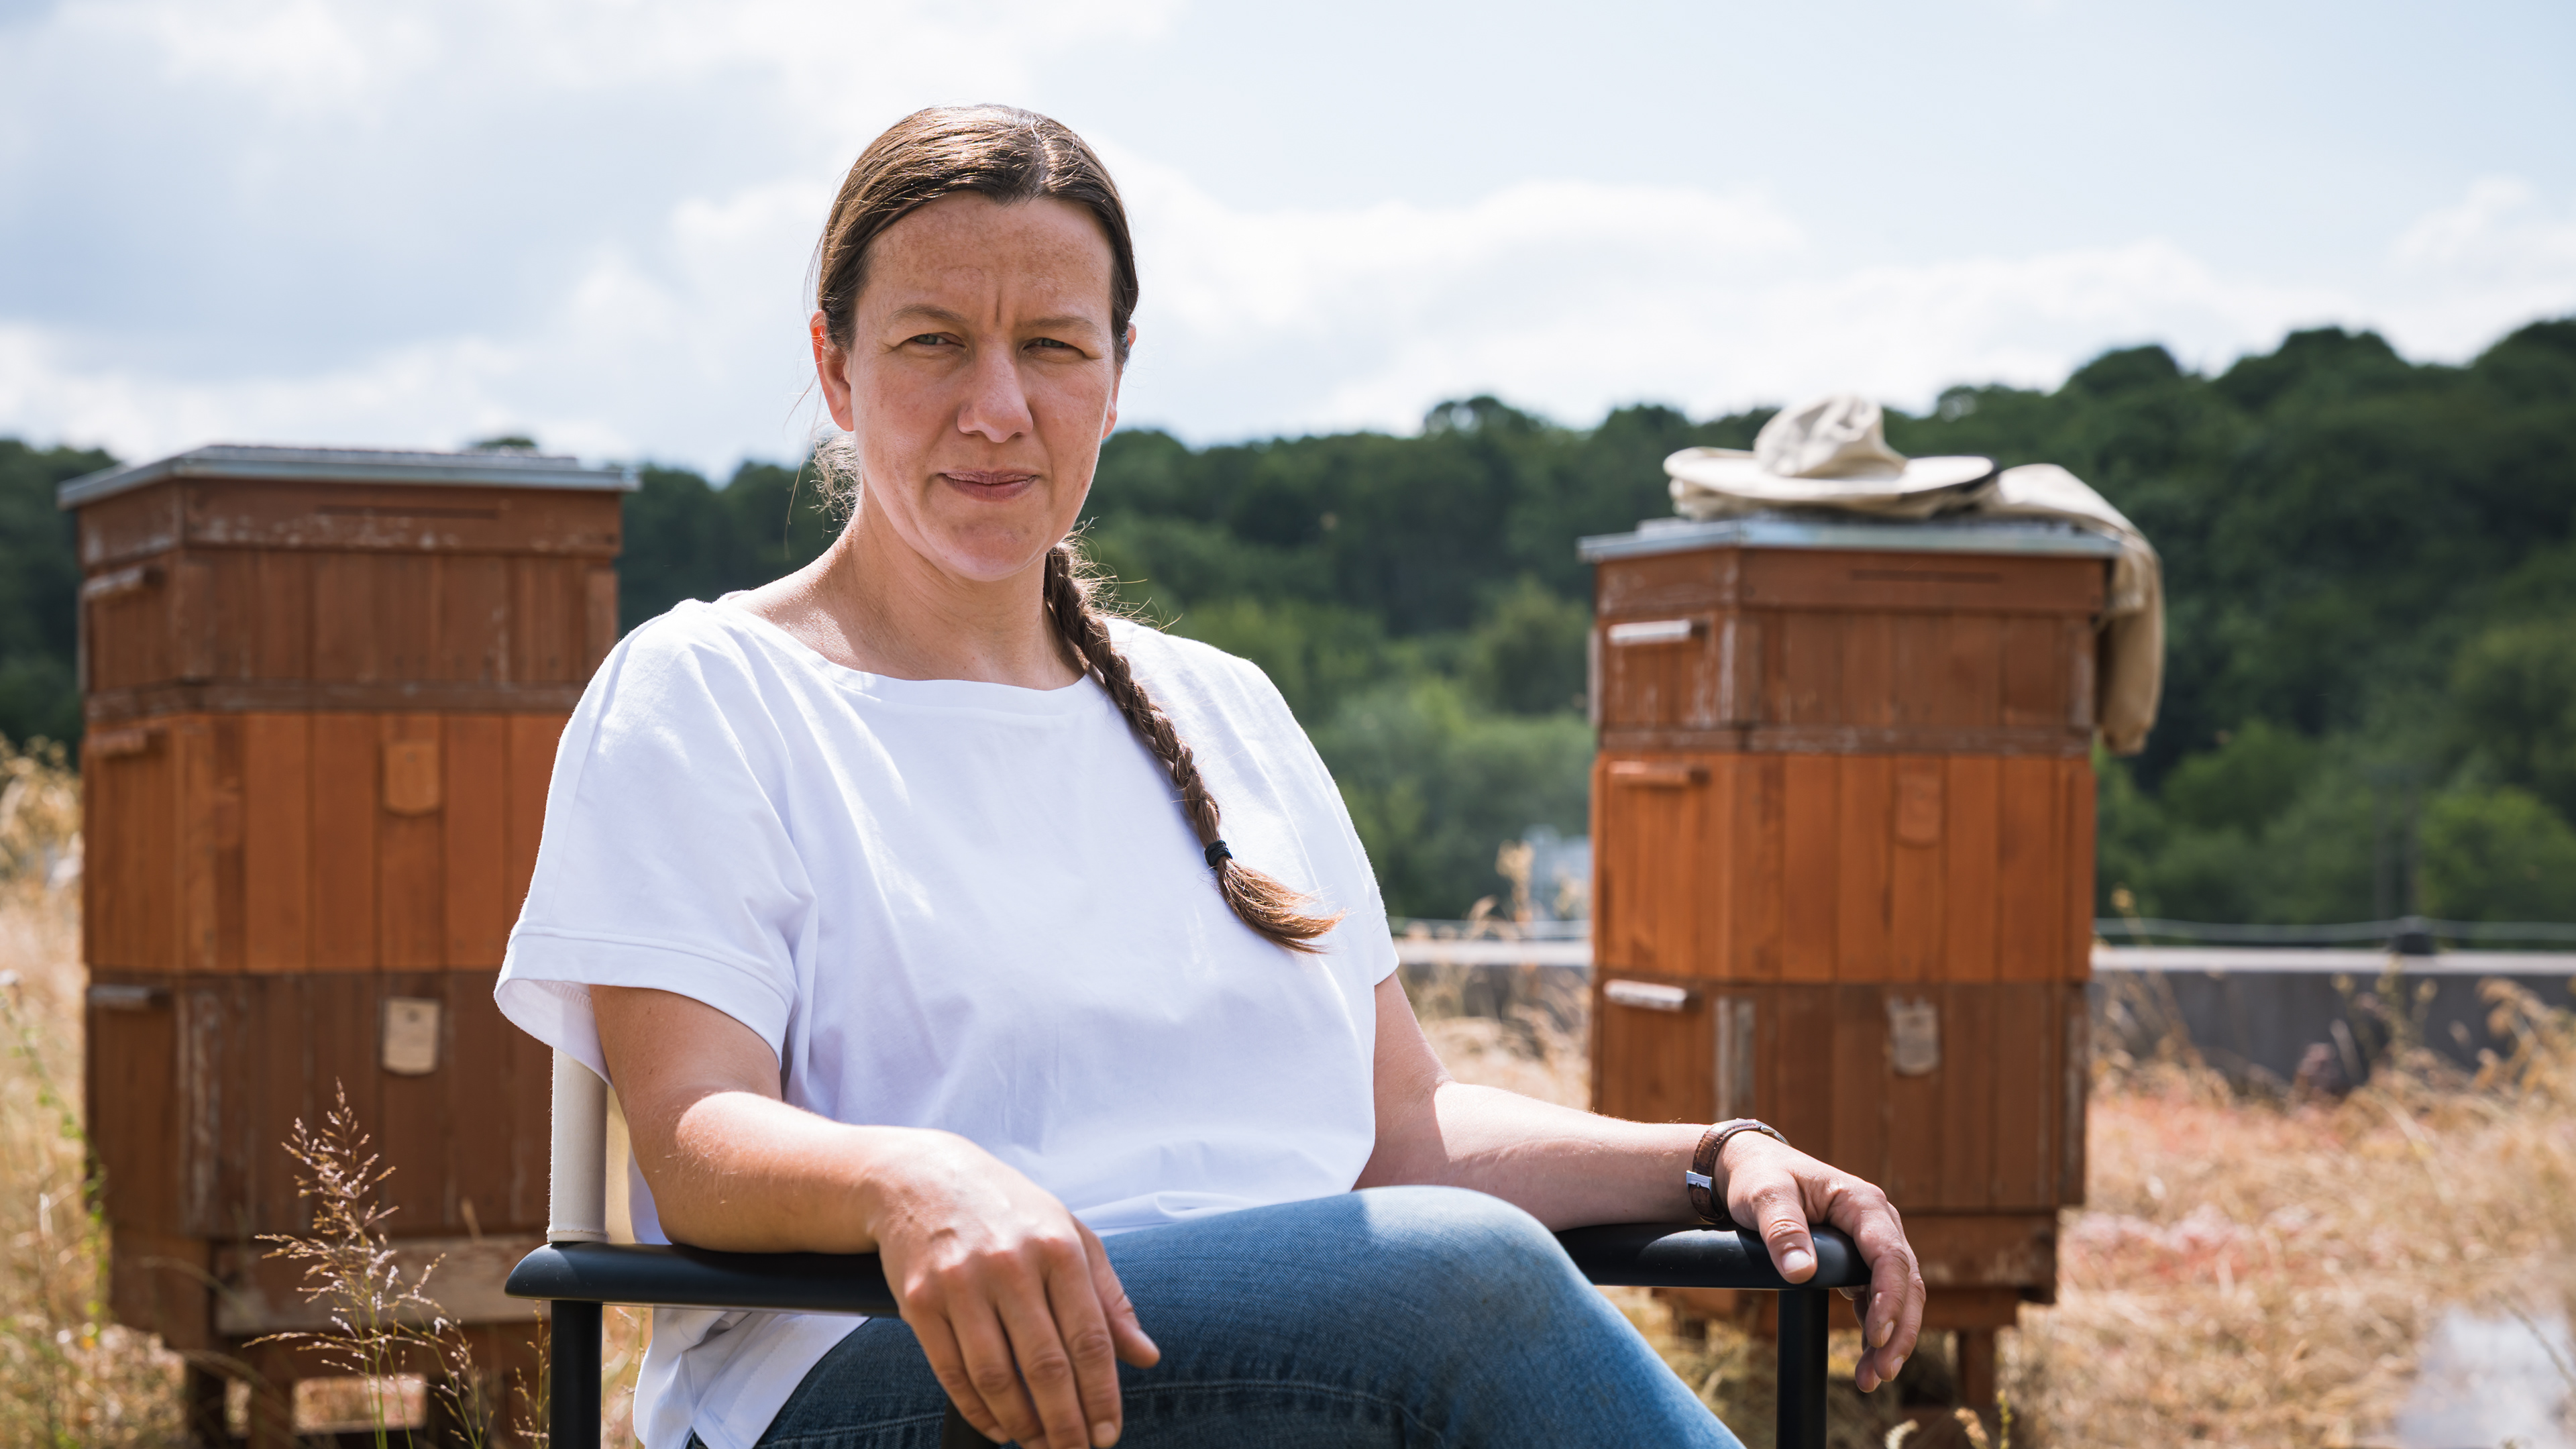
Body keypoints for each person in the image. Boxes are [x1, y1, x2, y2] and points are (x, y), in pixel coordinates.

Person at [496, 104, 1925, 1449]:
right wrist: (910, 1178)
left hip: (1303, 1361)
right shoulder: (710, 691)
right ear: (835, 368)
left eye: (1053, 346)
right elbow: (694, 1137)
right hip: (887, 1372)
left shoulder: (1226, 708)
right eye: (934, 342)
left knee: (1445, 1270)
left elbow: (1400, 1132)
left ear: (1117, 374)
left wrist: (1712, 1157)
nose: (997, 406)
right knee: (1455, 1276)